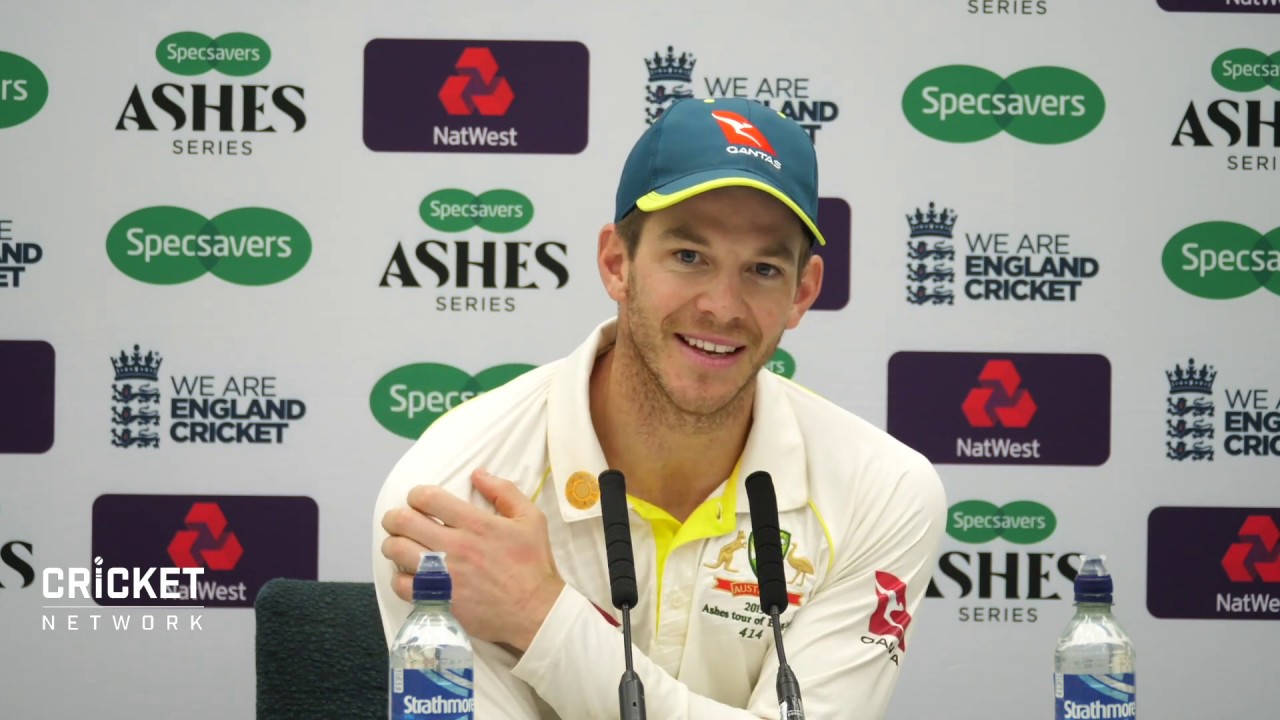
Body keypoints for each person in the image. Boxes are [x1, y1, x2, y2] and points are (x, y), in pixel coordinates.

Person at [372, 97, 946, 719]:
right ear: (617, 264)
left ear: (802, 294)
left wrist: (542, 616)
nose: (722, 306)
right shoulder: (451, 492)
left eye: (762, 268)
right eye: (689, 257)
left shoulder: (882, 489)